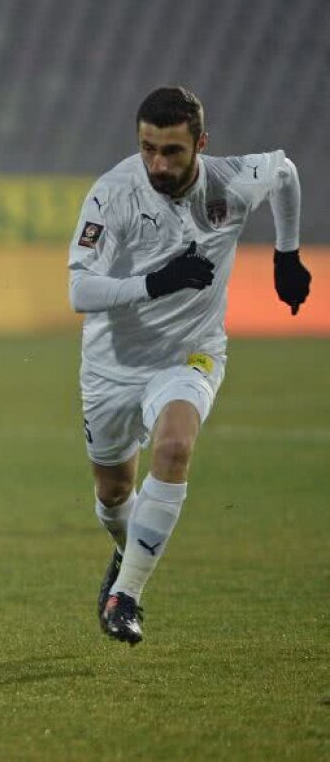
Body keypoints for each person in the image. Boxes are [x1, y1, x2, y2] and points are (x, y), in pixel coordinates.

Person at [68, 86, 308, 645]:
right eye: (148, 148)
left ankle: (125, 598)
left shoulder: (231, 182)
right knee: (111, 491)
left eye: (172, 151)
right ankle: (125, 555)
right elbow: (79, 290)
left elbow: (287, 172)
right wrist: (158, 282)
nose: (157, 163)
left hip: (189, 353)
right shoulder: (112, 195)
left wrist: (287, 253)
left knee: (175, 447)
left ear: (201, 143)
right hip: (112, 364)